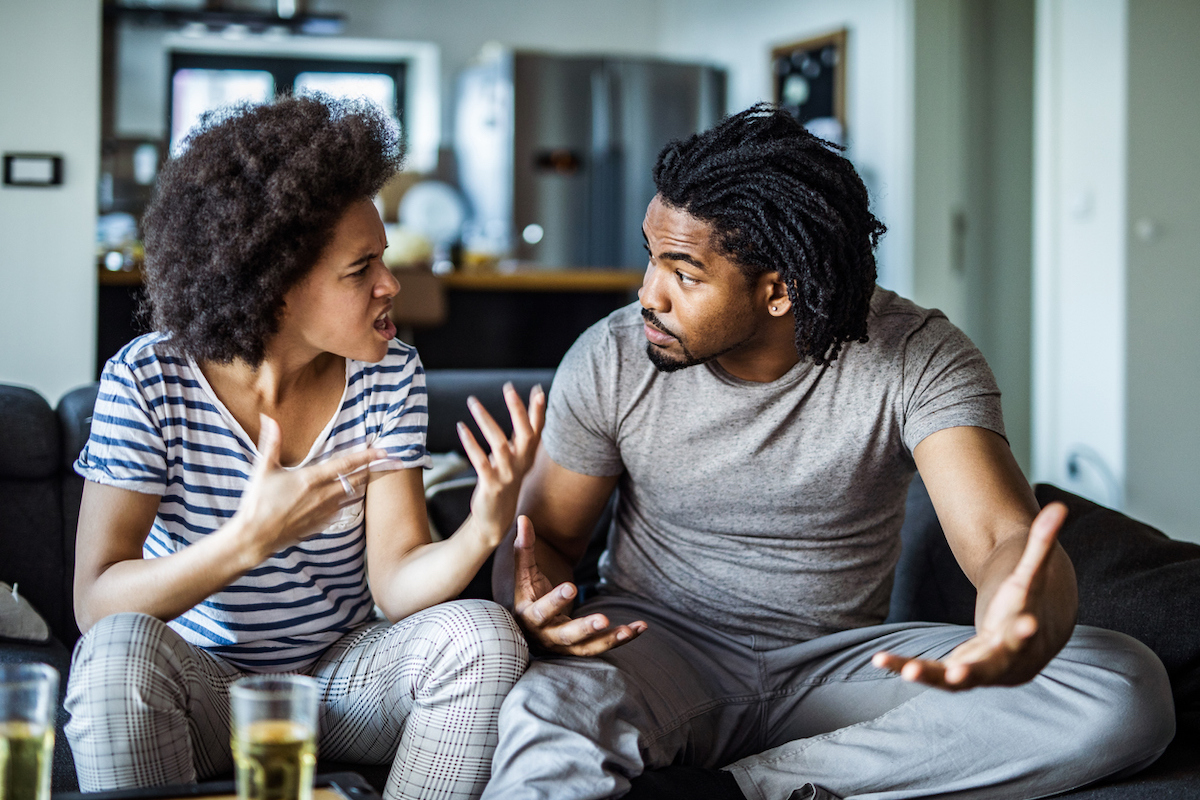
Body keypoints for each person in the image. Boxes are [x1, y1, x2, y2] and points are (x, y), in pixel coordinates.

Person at [484, 104, 1175, 800]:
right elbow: (549, 541)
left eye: (684, 274)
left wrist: (1019, 624)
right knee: (547, 712)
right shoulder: (612, 357)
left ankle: (735, 791)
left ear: (778, 291)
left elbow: (1002, 540)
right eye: (650, 256)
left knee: (1119, 685)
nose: (647, 294)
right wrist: (536, 603)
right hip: (652, 649)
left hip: (835, 670)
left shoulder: (919, 355)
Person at [65, 95, 542, 800]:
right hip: (202, 685)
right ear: (276, 285)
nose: (391, 284)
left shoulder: (389, 374)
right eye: (361, 268)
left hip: (339, 681)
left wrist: (482, 528)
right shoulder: (147, 378)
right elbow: (96, 601)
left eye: (384, 258)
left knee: (487, 637)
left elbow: (395, 583)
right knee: (113, 655)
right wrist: (249, 540)